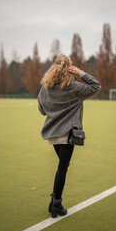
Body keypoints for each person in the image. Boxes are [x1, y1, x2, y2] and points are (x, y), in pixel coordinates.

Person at [37, 55, 101, 218]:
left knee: (62, 166)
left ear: (54, 67)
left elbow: (42, 109)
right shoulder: (74, 87)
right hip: (67, 134)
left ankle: (54, 201)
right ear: (70, 68)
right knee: (62, 168)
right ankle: (56, 203)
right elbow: (96, 86)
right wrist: (81, 73)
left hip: (53, 135)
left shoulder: (45, 87)